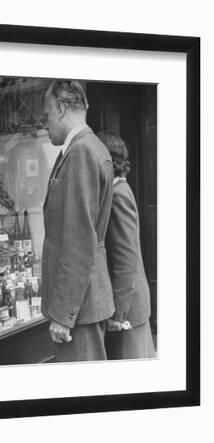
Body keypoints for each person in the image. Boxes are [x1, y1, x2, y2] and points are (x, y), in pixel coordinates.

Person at [40, 80, 115, 362]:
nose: (44, 124)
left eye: (46, 115)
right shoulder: (90, 147)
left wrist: (63, 315)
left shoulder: (81, 152)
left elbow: (77, 238)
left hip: (80, 308)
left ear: (60, 109)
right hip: (85, 302)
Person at [97, 131, 156, 360]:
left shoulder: (117, 194)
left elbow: (126, 258)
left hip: (128, 311)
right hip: (130, 306)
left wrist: (118, 314)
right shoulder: (117, 190)